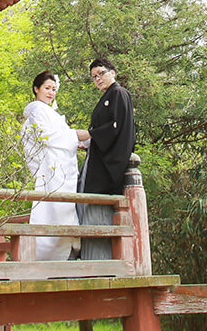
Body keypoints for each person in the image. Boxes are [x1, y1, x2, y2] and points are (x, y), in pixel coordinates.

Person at [20, 70, 91, 261]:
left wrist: (80, 138)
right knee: (52, 211)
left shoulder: (49, 113)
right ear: (36, 89)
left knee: (62, 211)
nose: (51, 92)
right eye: (47, 88)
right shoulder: (37, 111)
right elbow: (48, 137)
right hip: (50, 170)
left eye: (54, 89)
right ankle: (48, 257)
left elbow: (64, 137)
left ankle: (64, 254)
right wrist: (77, 135)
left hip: (61, 170)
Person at [77, 56, 136, 260]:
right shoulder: (106, 97)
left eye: (101, 73)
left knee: (98, 209)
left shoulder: (119, 93)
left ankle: (98, 262)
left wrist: (90, 134)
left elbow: (116, 127)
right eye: (94, 77)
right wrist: (87, 141)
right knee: (88, 206)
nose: (98, 79)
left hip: (108, 164)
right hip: (99, 160)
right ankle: (90, 259)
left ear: (112, 72)